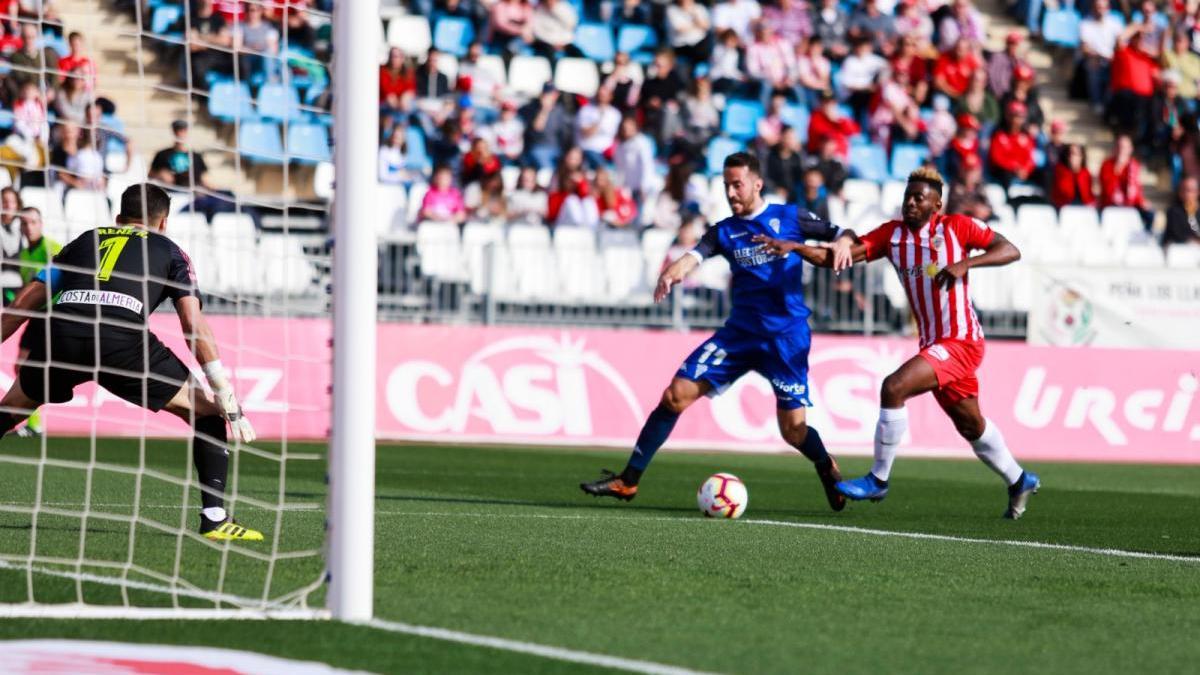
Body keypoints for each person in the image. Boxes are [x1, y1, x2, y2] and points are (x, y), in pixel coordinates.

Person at [756, 167, 1040, 519]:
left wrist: (967, 263)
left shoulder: (957, 227)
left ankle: (879, 478)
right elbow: (837, 258)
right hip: (935, 343)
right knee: (971, 425)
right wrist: (796, 247)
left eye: (919, 198)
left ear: (937, 204)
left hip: (962, 340)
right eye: (908, 196)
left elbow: (1009, 249)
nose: (911, 203)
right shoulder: (892, 237)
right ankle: (1019, 480)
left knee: (893, 388)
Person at [580, 152, 848, 512]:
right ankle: (628, 481)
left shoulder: (790, 217)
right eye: (726, 186)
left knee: (793, 430)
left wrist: (844, 240)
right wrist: (676, 269)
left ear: (757, 183)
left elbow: (841, 234)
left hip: (786, 338)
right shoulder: (725, 231)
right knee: (674, 396)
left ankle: (825, 464)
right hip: (738, 335)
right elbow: (697, 253)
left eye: (737, 185)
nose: (731, 193)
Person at [0, 184, 261, 540]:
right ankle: (215, 519)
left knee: (12, 409)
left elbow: (25, 302)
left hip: (61, 336)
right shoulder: (171, 250)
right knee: (208, 411)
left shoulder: (83, 240)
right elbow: (192, 326)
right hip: (119, 340)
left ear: (119, 218)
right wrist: (223, 388)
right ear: (163, 222)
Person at [9, 206, 60, 437]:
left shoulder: (52, 249)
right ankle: (33, 422)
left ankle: (34, 422)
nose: (29, 227)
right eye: (25, 223)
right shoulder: (25, 254)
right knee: (21, 366)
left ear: (41, 224)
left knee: (34, 369)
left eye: (33, 222)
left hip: (53, 315)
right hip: (36, 316)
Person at [1051, 144, 1095, 209]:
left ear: (1081, 157)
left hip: (1083, 209)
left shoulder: (1085, 174)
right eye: (1069, 154)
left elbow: (1088, 196)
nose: (1072, 157)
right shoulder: (1060, 171)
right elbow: (1063, 193)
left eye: (1075, 154)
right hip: (1064, 209)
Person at [1162, 176, 1200, 248]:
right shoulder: (1173, 211)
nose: (1186, 194)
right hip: (1179, 250)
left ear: (1197, 192)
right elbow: (1178, 235)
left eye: (1189, 190)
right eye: (1183, 190)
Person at [0, 188, 23, 305]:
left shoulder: (24, 228)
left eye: (12, 202)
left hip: (19, 288)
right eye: (4, 201)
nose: (8, 205)